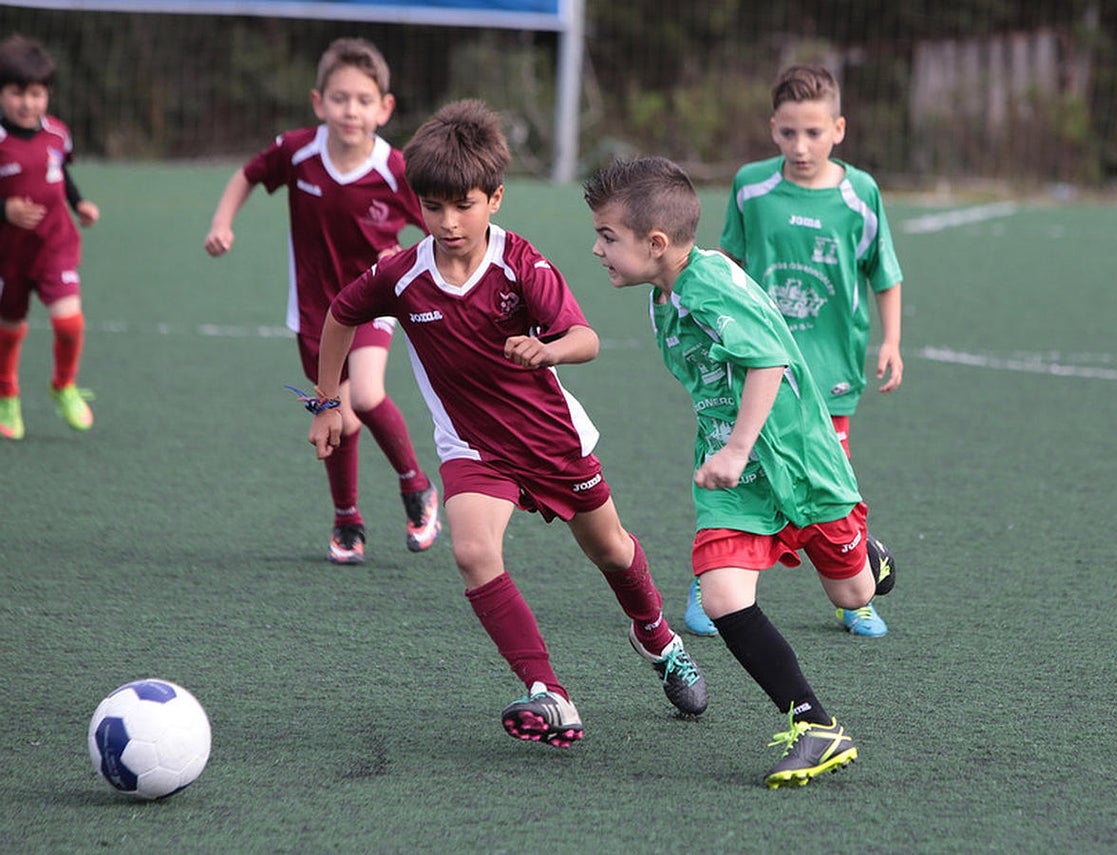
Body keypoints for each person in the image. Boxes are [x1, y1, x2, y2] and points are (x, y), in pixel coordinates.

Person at [308, 100, 707, 748]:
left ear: (493, 198)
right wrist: (327, 401)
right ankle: (549, 691)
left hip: (550, 438)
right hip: (472, 445)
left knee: (610, 548)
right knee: (470, 548)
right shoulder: (404, 274)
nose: (448, 220)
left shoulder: (519, 263)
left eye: (463, 204)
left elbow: (586, 336)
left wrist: (549, 348)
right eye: (433, 206)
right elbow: (340, 314)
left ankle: (656, 635)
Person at [584, 154, 894, 787]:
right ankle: (815, 726)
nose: (597, 250)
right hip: (738, 477)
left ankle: (871, 555)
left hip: (799, 463)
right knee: (724, 596)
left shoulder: (709, 285)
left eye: (608, 237)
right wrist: (727, 453)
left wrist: (735, 449)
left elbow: (769, 361)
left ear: (658, 242)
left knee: (854, 593)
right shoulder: (666, 291)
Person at [684, 63, 902, 638]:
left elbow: (884, 270)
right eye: (787, 133)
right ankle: (711, 575)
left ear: (839, 129)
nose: (800, 146)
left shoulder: (861, 194)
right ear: (772, 128)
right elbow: (725, 265)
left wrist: (892, 341)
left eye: (813, 132)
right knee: (741, 468)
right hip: (753, 365)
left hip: (829, 369)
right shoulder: (752, 185)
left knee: (829, 480)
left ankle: (852, 593)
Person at [205, 37, 439, 563]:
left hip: (374, 305)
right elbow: (247, 175)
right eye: (339, 98)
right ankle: (347, 521)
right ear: (319, 103)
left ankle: (417, 488)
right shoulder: (297, 152)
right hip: (312, 315)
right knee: (336, 418)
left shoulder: (396, 169)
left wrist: (403, 257)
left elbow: (438, 231)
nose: (350, 110)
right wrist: (222, 224)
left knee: (368, 396)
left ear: (384, 108)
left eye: (362, 99)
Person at [0, 34, 101, 440]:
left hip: (55, 245)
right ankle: (7, 392)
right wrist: (5, 210)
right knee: (10, 326)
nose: (28, 103)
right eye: (17, 93)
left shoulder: (58, 134)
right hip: (9, 255)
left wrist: (79, 203)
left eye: (37, 93)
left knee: (70, 323)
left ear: (48, 94)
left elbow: (61, 171)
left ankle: (63, 384)